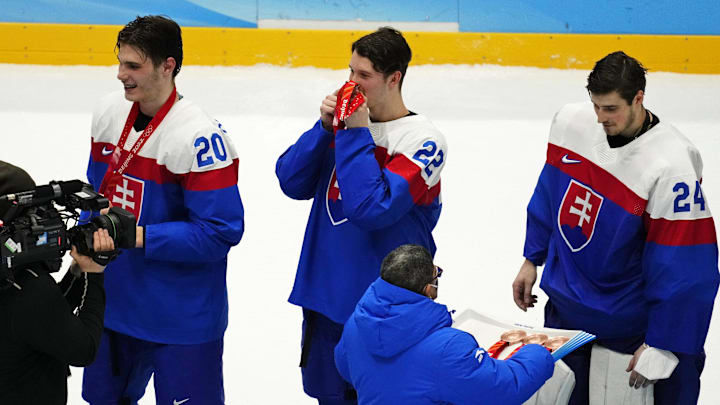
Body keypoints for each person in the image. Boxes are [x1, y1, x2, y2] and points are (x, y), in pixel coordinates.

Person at [512, 51, 719, 404]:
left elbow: (685, 266)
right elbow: (551, 191)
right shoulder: (571, 124)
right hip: (567, 311)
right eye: (595, 106)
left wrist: (664, 343)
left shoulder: (672, 166)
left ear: (638, 98)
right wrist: (533, 257)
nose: (600, 118)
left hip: (628, 327)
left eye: (610, 109)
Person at [276, 27, 447, 404]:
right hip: (325, 296)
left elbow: (371, 208)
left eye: (364, 76)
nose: (352, 84)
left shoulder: (422, 140)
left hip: (387, 311)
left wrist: (353, 133)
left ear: (394, 78)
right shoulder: (341, 126)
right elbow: (290, 181)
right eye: (350, 72)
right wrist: (323, 129)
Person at [81, 16, 244, 404]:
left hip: (181, 318)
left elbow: (220, 232)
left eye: (133, 65)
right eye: (120, 62)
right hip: (113, 303)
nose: (121, 74)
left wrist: (136, 235)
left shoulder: (200, 138)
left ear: (168, 65)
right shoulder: (108, 112)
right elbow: (97, 191)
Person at [335, 244, 555, 404]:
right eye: (436, 274)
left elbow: (345, 366)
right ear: (428, 289)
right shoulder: (447, 348)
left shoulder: (356, 324)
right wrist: (538, 352)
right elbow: (504, 389)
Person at [0, 161, 116, 405]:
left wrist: (77, 271)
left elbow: (47, 319)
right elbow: (83, 349)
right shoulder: (27, 288)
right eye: (31, 214)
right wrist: (94, 274)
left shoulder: (17, 283)